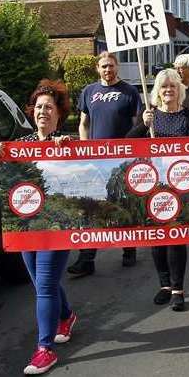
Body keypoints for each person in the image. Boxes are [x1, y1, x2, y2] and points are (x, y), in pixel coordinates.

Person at [0, 80, 77, 375]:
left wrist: (67, 151)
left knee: (43, 287)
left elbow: (84, 175)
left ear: (59, 114)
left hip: (57, 226)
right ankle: (66, 315)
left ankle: (45, 349)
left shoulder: (67, 143)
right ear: (32, 112)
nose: (43, 112)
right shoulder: (21, 146)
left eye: (49, 108)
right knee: (42, 283)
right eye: (39, 107)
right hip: (27, 226)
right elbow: (7, 188)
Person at [127, 69, 189, 311]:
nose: (168, 90)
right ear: (157, 92)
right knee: (157, 238)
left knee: (175, 238)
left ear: (180, 90)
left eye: (173, 86)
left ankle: (178, 289)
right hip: (154, 185)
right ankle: (164, 285)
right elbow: (128, 143)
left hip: (179, 184)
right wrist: (143, 126)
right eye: (163, 87)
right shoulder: (149, 116)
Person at [67, 52, 143, 277]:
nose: (107, 70)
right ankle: (86, 258)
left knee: (122, 203)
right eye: (103, 67)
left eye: (110, 66)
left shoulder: (129, 92)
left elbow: (136, 125)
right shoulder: (89, 92)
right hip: (95, 159)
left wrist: (128, 151)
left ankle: (129, 249)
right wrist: (84, 149)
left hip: (122, 159)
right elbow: (83, 123)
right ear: (97, 68)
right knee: (91, 206)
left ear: (117, 66)